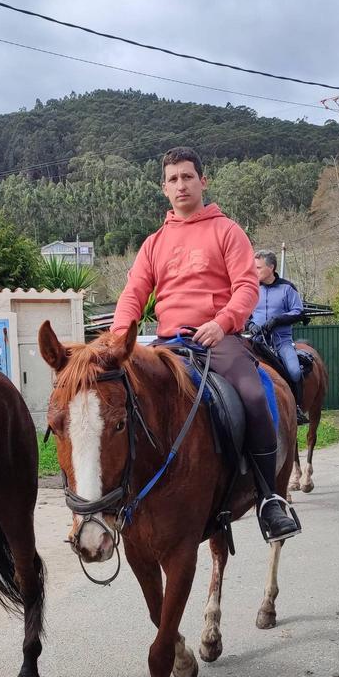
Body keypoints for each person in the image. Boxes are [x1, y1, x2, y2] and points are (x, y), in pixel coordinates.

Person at [112, 147, 300, 542]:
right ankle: (120, 498)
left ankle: (269, 499)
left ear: (203, 181)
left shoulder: (227, 231)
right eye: (173, 179)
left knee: (253, 393)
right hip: (168, 343)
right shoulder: (154, 243)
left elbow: (247, 287)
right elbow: (133, 294)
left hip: (218, 340)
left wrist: (222, 323)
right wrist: (118, 339)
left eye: (188, 177)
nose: (181, 185)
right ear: (164, 188)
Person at [248, 249, 308, 425]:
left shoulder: (288, 288)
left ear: (271, 267)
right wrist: (249, 324)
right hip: (255, 340)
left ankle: (296, 408)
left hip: (281, 341)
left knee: (295, 372)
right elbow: (242, 311)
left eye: (258, 267)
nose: (254, 271)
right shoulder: (250, 287)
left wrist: (276, 320)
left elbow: (298, 312)